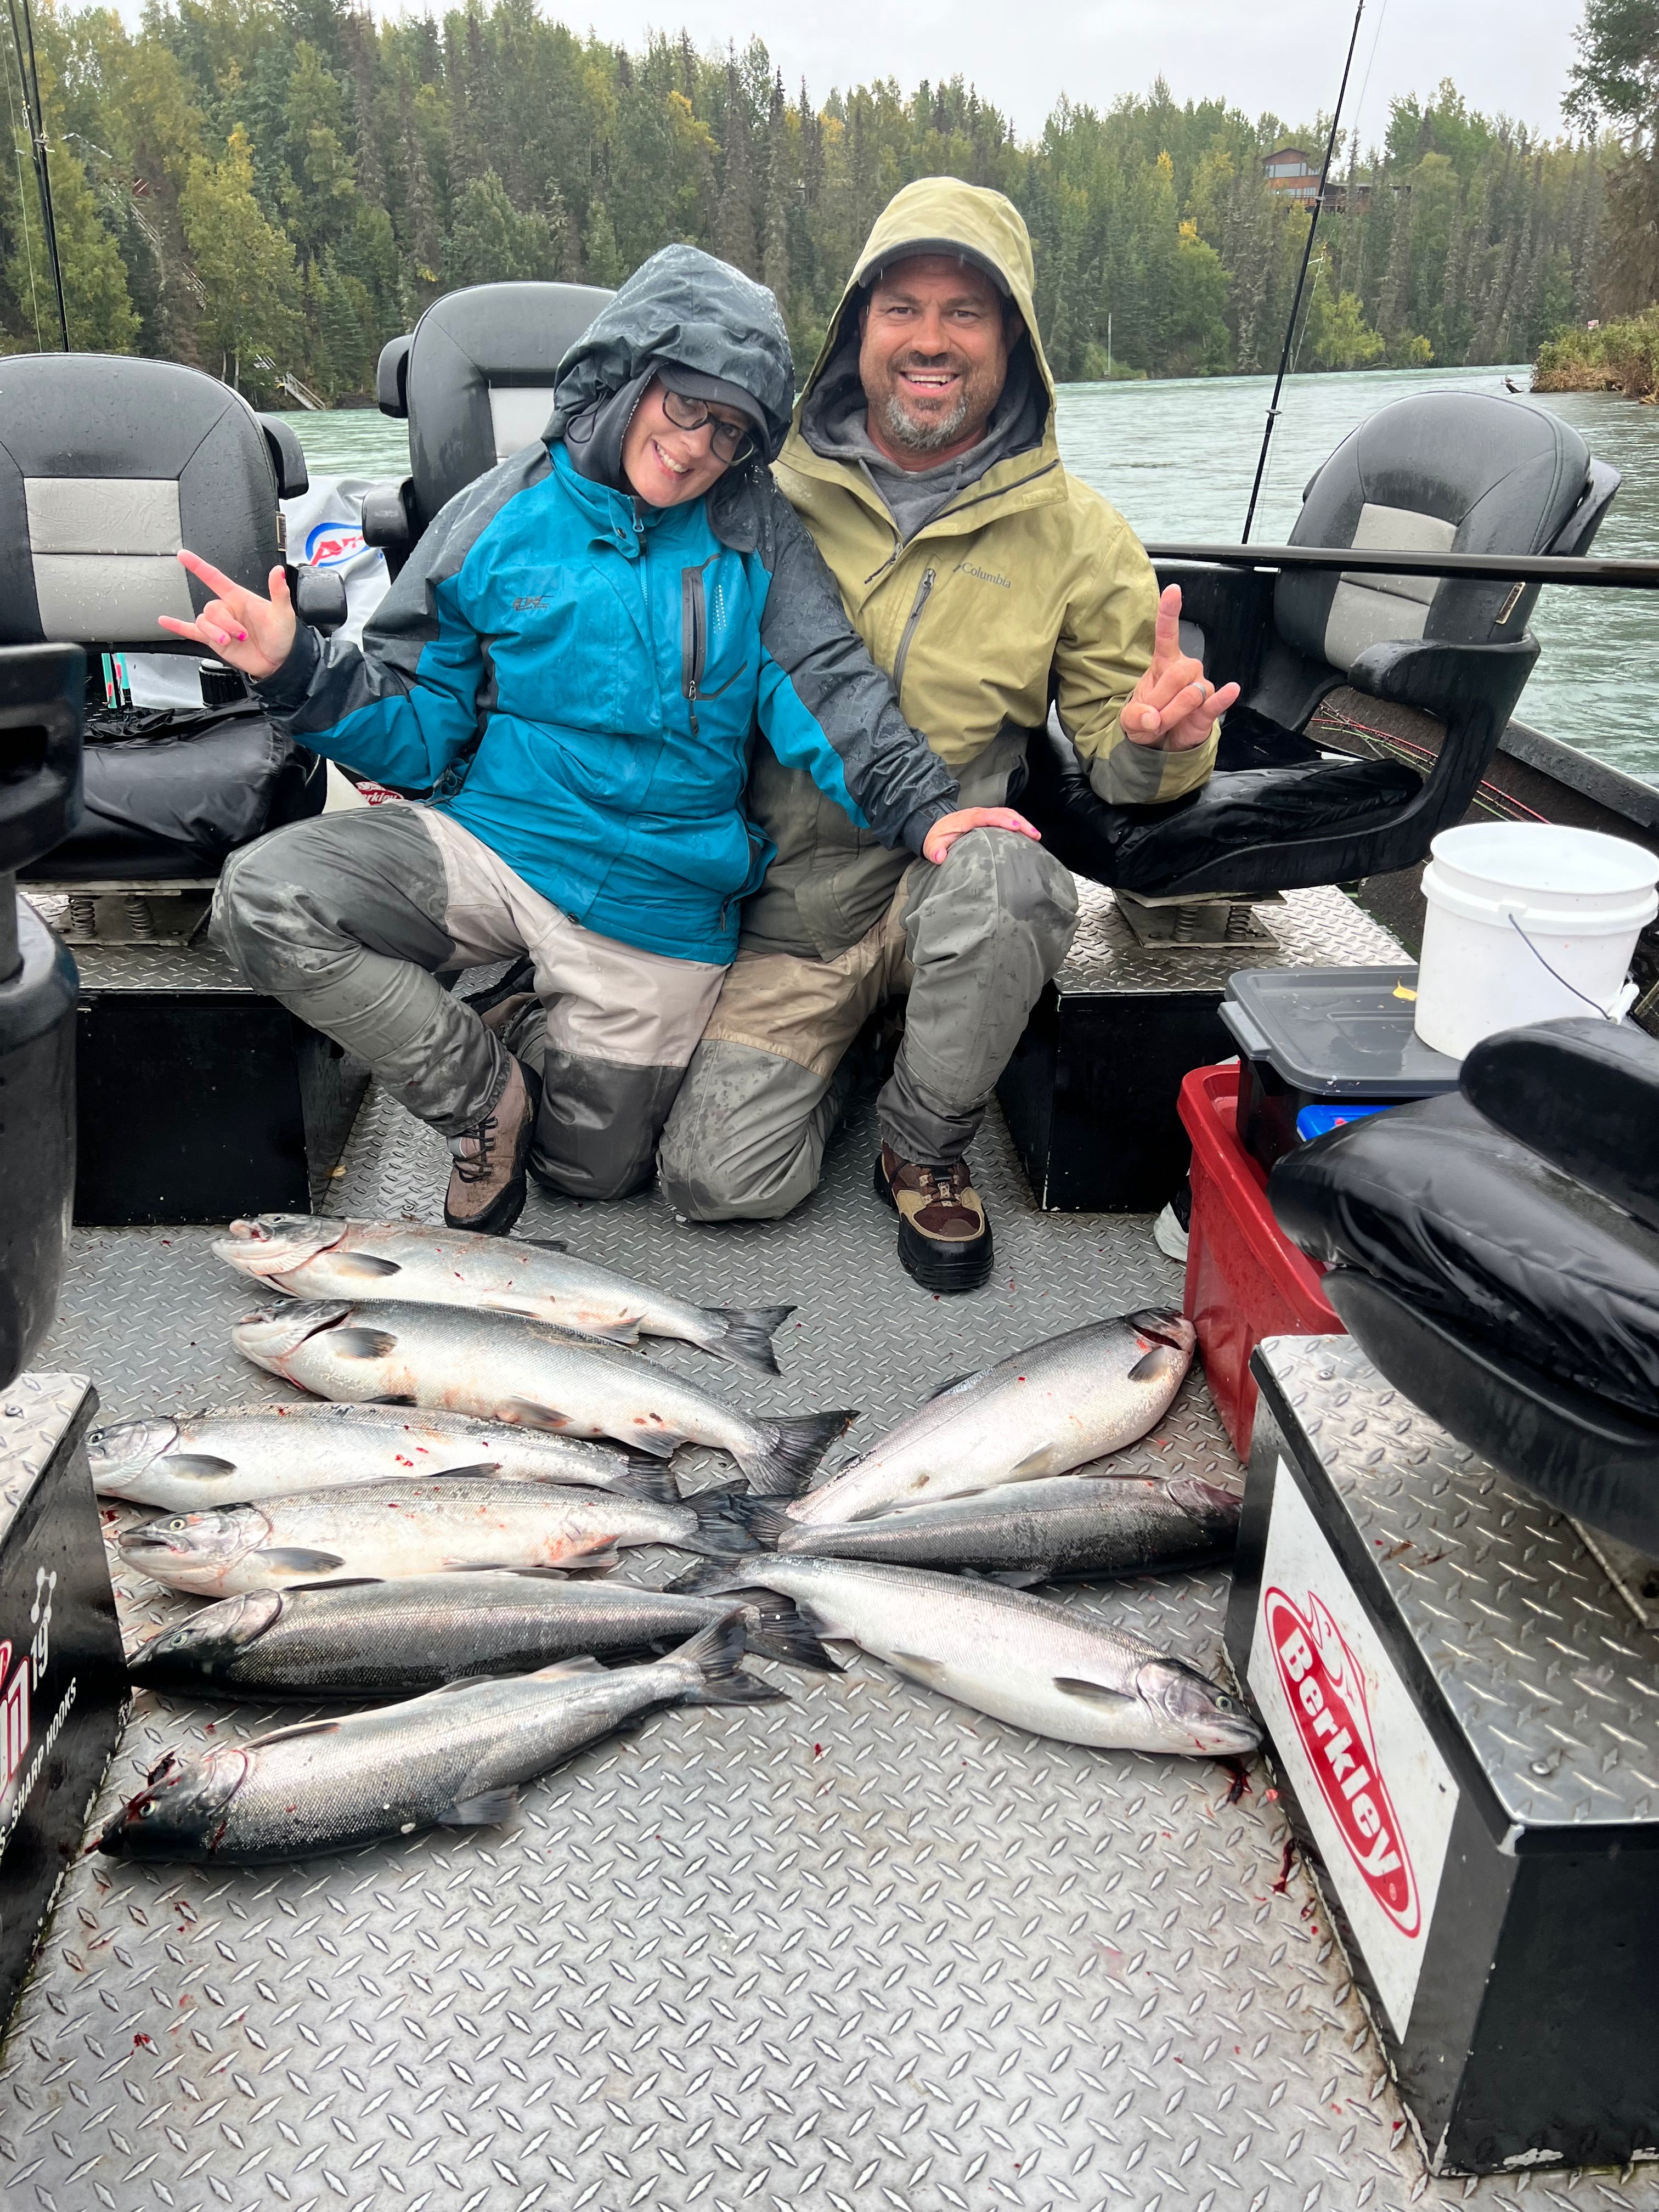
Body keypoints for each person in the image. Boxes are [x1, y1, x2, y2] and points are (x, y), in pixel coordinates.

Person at [167, 245, 1022, 1237]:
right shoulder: (494, 511)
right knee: (265, 897)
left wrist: (930, 810)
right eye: (689, 406)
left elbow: (831, 690)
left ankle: (523, 1013)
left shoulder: (757, 530)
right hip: (498, 845)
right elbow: (413, 728)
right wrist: (296, 671)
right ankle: (484, 1091)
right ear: (629, 379)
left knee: (592, 1171)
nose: (700, 446)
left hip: (661, 896)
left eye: (734, 430)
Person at [657, 179, 1238, 1291]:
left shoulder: (1081, 535)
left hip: (951, 878)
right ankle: (854, 1048)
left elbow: (1123, 765)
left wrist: (1163, 742)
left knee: (1017, 880)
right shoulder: (752, 485)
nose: (932, 340)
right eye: (904, 308)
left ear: (1014, 343)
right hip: (788, 902)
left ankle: (922, 1137)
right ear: (857, 329)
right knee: (716, 1181)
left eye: (967, 313)